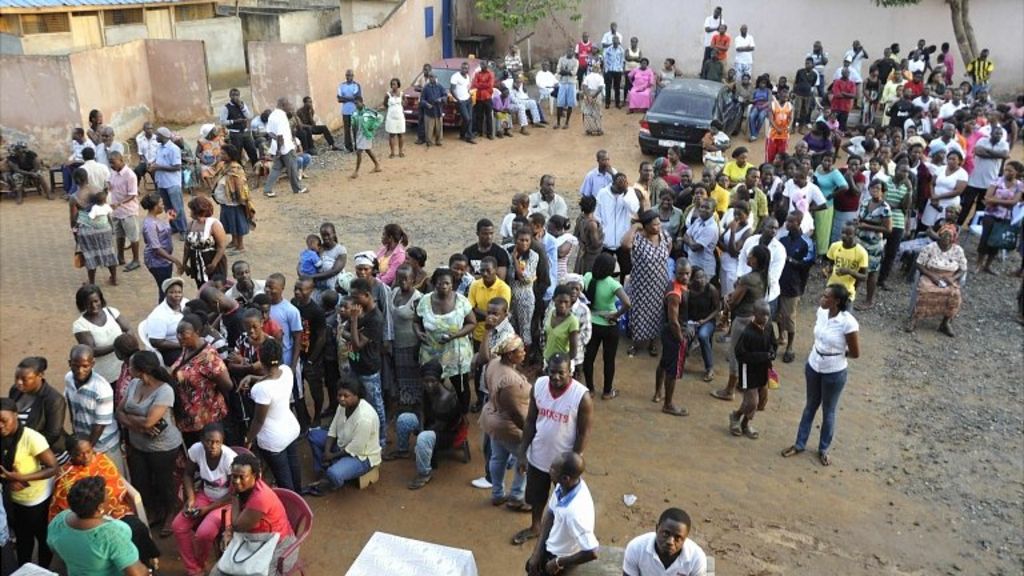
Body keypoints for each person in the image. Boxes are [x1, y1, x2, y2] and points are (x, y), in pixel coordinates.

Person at [47, 436, 160, 571]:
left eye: (89, 451)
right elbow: (66, 505)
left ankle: (146, 561)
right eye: (80, 454)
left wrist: (109, 507)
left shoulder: (101, 460)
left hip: (114, 509)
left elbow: (116, 484)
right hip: (85, 518)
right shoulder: (66, 476)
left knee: (137, 528)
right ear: (70, 454)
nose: (87, 457)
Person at [514, 356, 592, 546]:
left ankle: (557, 537)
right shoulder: (539, 386)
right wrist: (523, 452)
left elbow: (583, 433)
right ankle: (535, 527)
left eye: (561, 373)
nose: (555, 377)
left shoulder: (581, 396)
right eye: (552, 372)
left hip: (563, 463)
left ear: (570, 373)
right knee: (536, 496)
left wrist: (572, 463)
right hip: (538, 455)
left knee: (563, 502)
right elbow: (531, 420)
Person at [782, 284, 859, 467]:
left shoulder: (848, 322)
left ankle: (823, 448)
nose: (822, 299)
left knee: (828, 411)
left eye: (826, 297)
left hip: (834, 371)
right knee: (810, 406)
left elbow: (855, 352)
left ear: (837, 302)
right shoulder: (821, 312)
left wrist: (835, 354)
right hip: (814, 365)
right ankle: (800, 444)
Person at [115, 351, 182, 536]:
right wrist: (140, 425)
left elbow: (149, 422)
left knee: (164, 483)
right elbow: (119, 412)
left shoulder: (165, 390)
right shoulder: (134, 383)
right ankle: (154, 511)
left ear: (141, 369)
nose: (128, 369)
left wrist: (132, 421)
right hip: (138, 445)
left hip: (163, 448)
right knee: (141, 483)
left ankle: (170, 513)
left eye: (132, 366)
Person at [209, 453, 295, 576]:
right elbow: (236, 525)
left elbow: (237, 525)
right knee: (216, 573)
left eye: (242, 477)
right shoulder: (239, 487)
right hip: (252, 539)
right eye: (234, 476)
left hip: (276, 544)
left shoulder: (260, 498)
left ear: (255, 476)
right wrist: (228, 531)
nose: (237, 481)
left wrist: (234, 497)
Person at [46, 476, 150, 576]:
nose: (110, 497)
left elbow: (54, 548)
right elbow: (137, 574)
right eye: (107, 495)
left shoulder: (59, 520)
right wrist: (147, 571)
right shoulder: (112, 534)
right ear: (100, 507)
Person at [389, 360, 466, 490]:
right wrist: (421, 426)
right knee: (404, 419)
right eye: (426, 381)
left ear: (439, 380)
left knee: (424, 438)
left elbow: (440, 426)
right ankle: (402, 450)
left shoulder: (447, 398)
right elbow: (421, 410)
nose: (429, 385)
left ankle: (424, 473)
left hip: (447, 433)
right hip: (431, 424)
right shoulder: (426, 391)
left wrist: (422, 432)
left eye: (432, 381)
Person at [173, 423, 237, 576]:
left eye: (217, 442)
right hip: (204, 496)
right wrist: (191, 499)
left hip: (226, 502)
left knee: (204, 533)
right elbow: (188, 474)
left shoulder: (229, 459)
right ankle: (194, 569)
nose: (212, 446)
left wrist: (207, 510)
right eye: (208, 441)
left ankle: (200, 563)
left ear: (222, 442)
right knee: (178, 525)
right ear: (202, 440)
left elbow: (235, 493)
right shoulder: (196, 450)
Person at [0, 396, 57, 568]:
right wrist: (8, 482)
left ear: (16, 415)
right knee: (23, 541)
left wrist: (20, 478)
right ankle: (26, 570)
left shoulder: (32, 438)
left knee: (42, 539)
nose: (0, 426)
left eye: (4, 421)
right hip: (13, 500)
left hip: (36, 501)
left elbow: (53, 468)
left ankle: (42, 569)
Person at [524, 452, 599, 575]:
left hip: (562, 558)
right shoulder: (565, 487)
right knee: (531, 566)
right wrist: (537, 552)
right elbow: (550, 513)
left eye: (553, 469)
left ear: (565, 478)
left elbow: (592, 551)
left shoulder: (574, 513)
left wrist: (558, 563)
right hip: (551, 548)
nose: (549, 470)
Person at [242, 338, 301, 492]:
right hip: (291, 428)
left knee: (283, 479)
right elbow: (272, 378)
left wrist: (248, 439)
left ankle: (291, 506)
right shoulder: (287, 371)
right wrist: (253, 378)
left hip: (274, 439)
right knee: (294, 467)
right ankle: (299, 497)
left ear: (261, 359)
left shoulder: (260, 389)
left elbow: (259, 420)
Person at [304, 378, 381, 496]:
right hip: (342, 445)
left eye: (346, 396)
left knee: (334, 474)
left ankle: (331, 480)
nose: (342, 399)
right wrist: (327, 451)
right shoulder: (342, 406)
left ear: (357, 396)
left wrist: (331, 455)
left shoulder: (365, 418)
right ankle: (324, 471)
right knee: (313, 435)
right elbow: (333, 430)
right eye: (339, 395)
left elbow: (356, 449)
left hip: (362, 457)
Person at [712, 245, 769, 401]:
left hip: (743, 319)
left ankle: (729, 390)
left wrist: (726, 300)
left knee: (735, 354)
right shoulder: (764, 278)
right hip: (755, 319)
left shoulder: (747, 279)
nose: (748, 257)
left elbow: (734, 301)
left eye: (750, 255)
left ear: (756, 260)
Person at [169, 314, 231, 447]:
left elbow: (227, 384)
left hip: (205, 420)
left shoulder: (209, 357)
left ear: (197, 332)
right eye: (177, 333)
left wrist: (207, 392)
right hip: (188, 418)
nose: (179, 337)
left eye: (184, 334)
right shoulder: (187, 347)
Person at [64, 344, 124, 474]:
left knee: (115, 480)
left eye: (85, 366)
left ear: (92, 364)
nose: (80, 370)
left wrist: (87, 450)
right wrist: (75, 431)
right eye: (76, 365)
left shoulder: (102, 389)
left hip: (104, 445)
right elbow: (70, 403)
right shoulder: (68, 378)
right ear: (70, 363)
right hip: (83, 442)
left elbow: (100, 425)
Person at [581, 253, 631, 398]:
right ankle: (607, 391)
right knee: (609, 360)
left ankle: (590, 389)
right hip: (609, 325)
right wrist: (615, 315)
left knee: (589, 357)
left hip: (592, 323)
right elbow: (627, 303)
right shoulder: (612, 283)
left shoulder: (588, 277)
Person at [624, 210, 671, 357]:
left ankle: (652, 343)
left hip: (659, 284)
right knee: (638, 313)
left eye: (659, 223)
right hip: (641, 284)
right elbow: (625, 244)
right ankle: (636, 343)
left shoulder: (664, 235)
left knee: (657, 313)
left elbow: (669, 247)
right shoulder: (637, 238)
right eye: (654, 224)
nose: (658, 227)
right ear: (645, 226)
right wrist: (634, 227)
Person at [908, 223, 968, 336]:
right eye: (944, 235)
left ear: (953, 238)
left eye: (949, 236)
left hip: (949, 277)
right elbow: (919, 264)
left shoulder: (958, 250)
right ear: (939, 235)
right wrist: (932, 276)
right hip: (931, 274)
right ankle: (915, 319)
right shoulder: (931, 247)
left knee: (954, 294)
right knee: (926, 291)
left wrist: (952, 278)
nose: (946, 238)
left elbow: (963, 269)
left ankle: (945, 323)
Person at [729, 300, 776, 438]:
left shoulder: (768, 327)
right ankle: (736, 417)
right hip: (748, 371)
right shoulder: (747, 332)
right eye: (763, 315)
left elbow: (773, 342)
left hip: (763, 370)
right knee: (752, 401)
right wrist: (763, 356)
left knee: (761, 401)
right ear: (755, 314)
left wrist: (772, 352)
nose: (766, 318)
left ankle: (744, 423)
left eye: (768, 315)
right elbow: (741, 354)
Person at [623, 507, 708, 576]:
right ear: (657, 529)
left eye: (678, 537)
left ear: (685, 539)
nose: (670, 542)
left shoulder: (696, 559)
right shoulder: (636, 548)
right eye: (665, 534)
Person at [69, 169, 119, 286]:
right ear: (87, 178)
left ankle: (91, 282)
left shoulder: (74, 197)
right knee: (109, 251)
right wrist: (110, 225)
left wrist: (74, 231)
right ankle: (114, 278)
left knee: (89, 254)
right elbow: (106, 210)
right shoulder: (98, 190)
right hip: (103, 226)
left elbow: (73, 218)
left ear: (75, 181)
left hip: (86, 229)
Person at [73, 284, 131, 384]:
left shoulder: (112, 312)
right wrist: (118, 345)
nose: (94, 306)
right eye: (88, 303)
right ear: (82, 304)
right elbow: (92, 351)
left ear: (101, 299)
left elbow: (128, 329)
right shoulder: (80, 325)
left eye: (96, 301)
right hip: (103, 376)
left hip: (123, 371)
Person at [654, 258, 691, 416]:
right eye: (681, 274)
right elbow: (673, 321)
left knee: (664, 362)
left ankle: (657, 393)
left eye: (687, 274)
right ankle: (668, 404)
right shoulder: (675, 293)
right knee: (672, 370)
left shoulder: (679, 286)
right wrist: (681, 339)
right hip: (673, 333)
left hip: (669, 331)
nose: (684, 277)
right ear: (675, 273)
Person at [777, 211, 815, 363]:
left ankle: (790, 347)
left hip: (794, 285)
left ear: (799, 222)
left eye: (791, 222)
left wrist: (790, 260)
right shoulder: (783, 239)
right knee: (778, 314)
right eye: (787, 221)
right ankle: (781, 337)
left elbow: (808, 262)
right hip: (779, 282)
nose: (787, 224)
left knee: (789, 316)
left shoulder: (806, 242)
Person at [977, 160, 1024, 274]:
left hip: (1005, 217)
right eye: (1006, 170)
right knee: (985, 239)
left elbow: (1014, 202)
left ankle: (988, 265)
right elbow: (987, 197)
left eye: (1010, 171)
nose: (1007, 172)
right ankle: (979, 264)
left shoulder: (1020, 185)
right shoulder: (997, 180)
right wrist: (1005, 201)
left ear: (1017, 172)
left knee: (997, 241)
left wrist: (995, 200)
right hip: (991, 214)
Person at [10, 357, 66, 450]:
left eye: (25, 379)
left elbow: (52, 435)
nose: (19, 382)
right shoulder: (15, 391)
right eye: (17, 377)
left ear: (40, 376)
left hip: (45, 452)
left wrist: (26, 449)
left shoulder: (54, 399)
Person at [854, 180, 893, 310]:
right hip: (860, 240)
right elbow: (861, 218)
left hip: (873, 244)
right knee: (857, 268)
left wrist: (868, 226)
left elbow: (888, 229)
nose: (875, 190)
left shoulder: (885, 208)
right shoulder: (865, 202)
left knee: (871, 272)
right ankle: (852, 293)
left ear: (883, 191)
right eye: (873, 188)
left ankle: (869, 300)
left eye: (878, 188)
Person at [962, 125, 1010, 227]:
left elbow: (1005, 155)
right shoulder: (982, 140)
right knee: (966, 205)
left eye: (1001, 134)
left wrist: (987, 151)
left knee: (981, 206)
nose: (999, 136)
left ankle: (973, 226)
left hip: (990, 182)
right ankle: (958, 224)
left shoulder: (1004, 144)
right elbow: (979, 152)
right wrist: (997, 154)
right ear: (991, 134)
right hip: (974, 180)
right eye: (997, 133)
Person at [211, 144, 254, 255]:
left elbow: (240, 186)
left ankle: (240, 246)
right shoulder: (225, 166)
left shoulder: (235, 169)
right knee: (231, 223)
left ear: (231, 155)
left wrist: (242, 201)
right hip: (226, 202)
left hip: (235, 203)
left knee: (237, 224)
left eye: (224, 154)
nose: (221, 155)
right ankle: (234, 242)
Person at [139, 194, 182, 301]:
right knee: (165, 290)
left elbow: (162, 230)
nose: (163, 206)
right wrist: (176, 261)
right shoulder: (149, 225)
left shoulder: (155, 219)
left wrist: (168, 219)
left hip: (164, 260)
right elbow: (156, 248)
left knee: (165, 287)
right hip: (157, 262)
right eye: (161, 204)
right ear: (155, 207)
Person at [263, 97, 307, 198]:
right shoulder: (282, 117)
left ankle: (267, 190)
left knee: (276, 168)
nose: (290, 106)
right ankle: (298, 188)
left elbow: (269, 132)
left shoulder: (272, 115)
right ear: (283, 105)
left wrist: (277, 147)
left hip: (277, 146)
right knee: (292, 167)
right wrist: (279, 149)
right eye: (289, 104)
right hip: (285, 147)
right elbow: (280, 136)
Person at [182, 195, 228, 289]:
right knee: (202, 287)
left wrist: (214, 263)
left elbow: (221, 246)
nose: (190, 212)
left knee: (217, 287)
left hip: (212, 260)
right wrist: (185, 263)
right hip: (196, 261)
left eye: (191, 210)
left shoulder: (213, 224)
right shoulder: (191, 224)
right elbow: (187, 246)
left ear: (197, 210)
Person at [148, 127, 187, 236]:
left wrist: (159, 167)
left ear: (164, 136)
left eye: (157, 135)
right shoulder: (160, 147)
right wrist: (153, 164)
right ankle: (174, 227)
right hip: (162, 182)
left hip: (172, 183)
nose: (155, 137)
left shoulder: (173, 149)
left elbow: (177, 166)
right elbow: (159, 161)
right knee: (168, 207)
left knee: (177, 207)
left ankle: (183, 230)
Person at [825, 222, 869, 303]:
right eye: (843, 233)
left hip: (847, 292)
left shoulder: (861, 253)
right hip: (831, 288)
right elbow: (830, 265)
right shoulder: (834, 246)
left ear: (855, 235)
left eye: (849, 234)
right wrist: (827, 270)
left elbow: (864, 277)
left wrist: (849, 272)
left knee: (844, 314)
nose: (844, 236)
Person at [683, 199, 720, 282]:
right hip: (692, 263)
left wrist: (689, 240)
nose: (703, 209)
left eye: (707, 208)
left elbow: (695, 247)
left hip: (704, 267)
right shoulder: (698, 220)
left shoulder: (712, 228)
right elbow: (685, 235)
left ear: (713, 210)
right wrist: (691, 240)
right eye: (702, 207)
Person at [350, 97, 383, 178]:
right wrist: (354, 138)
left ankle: (356, 171)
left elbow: (380, 117)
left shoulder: (369, 112)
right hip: (359, 135)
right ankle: (377, 165)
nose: (356, 105)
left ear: (362, 102)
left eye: (357, 103)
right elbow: (353, 126)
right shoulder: (355, 113)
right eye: (355, 104)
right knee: (368, 150)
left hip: (366, 134)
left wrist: (373, 127)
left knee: (359, 152)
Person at [450, 62, 477, 144]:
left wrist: (470, 94)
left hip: (468, 99)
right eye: (463, 68)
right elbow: (452, 90)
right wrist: (458, 100)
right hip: (461, 101)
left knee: (470, 119)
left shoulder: (468, 76)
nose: (464, 69)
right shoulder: (455, 76)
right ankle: (462, 134)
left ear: (468, 69)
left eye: (466, 68)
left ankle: (468, 136)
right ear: (460, 68)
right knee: (467, 119)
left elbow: (466, 88)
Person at [336, 69, 362, 151]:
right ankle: (348, 146)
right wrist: (351, 98)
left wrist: (345, 98)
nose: (348, 77)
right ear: (345, 76)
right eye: (347, 75)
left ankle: (357, 146)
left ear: (353, 76)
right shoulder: (341, 86)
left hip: (354, 110)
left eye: (350, 75)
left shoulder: (356, 85)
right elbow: (339, 99)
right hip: (345, 111)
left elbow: (358, 97)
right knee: (346, 129)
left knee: (355, 129)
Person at [381, 78, 407, 157]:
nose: (393, 86)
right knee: (392, 135)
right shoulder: (388, 95)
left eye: (395, 84)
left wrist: (402, 104)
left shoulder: (402, 94)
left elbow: (405, 103)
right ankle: (392, 152)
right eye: (392, 84)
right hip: (391, 118)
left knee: (400, 134)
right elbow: (385, 104)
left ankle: (400, 152)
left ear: (398, 85)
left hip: (399, 117)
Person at [766, 89, 793, 163]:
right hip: (773, 134)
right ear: (779, 96)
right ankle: (768, 167)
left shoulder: (790, 105)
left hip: (784, 134)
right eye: (783, 96)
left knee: (782, 155)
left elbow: (791, 117)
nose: (785, 98)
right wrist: (777, 128)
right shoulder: (772, 104)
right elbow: (770, 118)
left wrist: (789, 126)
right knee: (770, 155)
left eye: (787, 97)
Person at [555, 46, 579, 130]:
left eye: (572, 51)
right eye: (569, 51)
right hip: (562, 83)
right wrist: (568, 72)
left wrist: (564, 71)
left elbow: (574, 72)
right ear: (566, 51)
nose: (570, 53)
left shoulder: (576, 61)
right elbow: (558, 70)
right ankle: (558, 123)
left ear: (573, 52)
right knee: (559, 103)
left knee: (570, 104)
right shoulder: (561, 59)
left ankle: (567, 122)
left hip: (571, 83)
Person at [420, 73, 448, 146]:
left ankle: (438, 141)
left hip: (438, 110)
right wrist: (426, 104)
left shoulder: (440, 86)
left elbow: (445, 96)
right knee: (429, 129)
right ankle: (429, 142)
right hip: (429, 111)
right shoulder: (426, 88)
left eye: (433, 77)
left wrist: (441, 99)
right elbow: (422, 100)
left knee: (439, 128)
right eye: (430, 77)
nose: (431, 78)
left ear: (436, 77)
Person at [472, 62, 496, 139]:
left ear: (487, 65)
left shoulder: (490, 74)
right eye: (482, 65)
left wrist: (480, 85)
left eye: (484, 65)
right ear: (480, 66)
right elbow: (475, 84)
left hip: (487, 97)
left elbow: (490, 84)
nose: (483, 66)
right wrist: (484, 84)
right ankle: (479, 132)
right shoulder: (477, 74)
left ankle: (489, 133)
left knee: (489, 116)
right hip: (479, 97)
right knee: (479, 116)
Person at [580, 62, 605, 136]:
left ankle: (589, 130)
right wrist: (593, 96)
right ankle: (598, 130)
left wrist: (588, 96)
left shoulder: (588, 76)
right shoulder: (600, 77)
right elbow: (600, 88)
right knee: (597, 113)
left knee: (587, 112)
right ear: (599, 69)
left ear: (592, 69)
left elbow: (584, 86)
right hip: (596, 95)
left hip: (588, 93)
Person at [603, 35, 625, 109]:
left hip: (617, 71)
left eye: (617, 42)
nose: (616, 43)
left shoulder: (621, 50)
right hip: (609, 70)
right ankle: (607, 103)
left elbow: (622, 60)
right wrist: (606, 69)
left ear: (618, 42)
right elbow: (605, 60)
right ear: (612, 42)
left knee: (617, 87)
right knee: (608, 87)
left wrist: (621, 69)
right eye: (614, 42)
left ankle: (617, 103)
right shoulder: (608, 49)